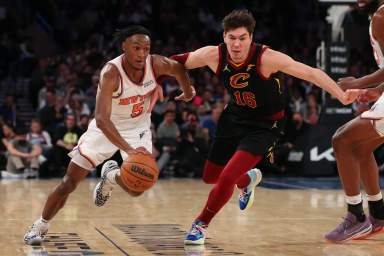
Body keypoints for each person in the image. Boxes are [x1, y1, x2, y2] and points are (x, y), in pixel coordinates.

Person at [170, 9, 362, 245]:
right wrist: (159, 82)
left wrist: (341, 96)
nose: (237, 44)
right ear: (224, 37)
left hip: (265, 125)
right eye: (232, 38)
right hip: (234, 118)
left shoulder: (267, 58)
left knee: (227, 177)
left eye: (242, 38)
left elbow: (311, 73)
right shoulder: (213, 55)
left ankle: (200, 224)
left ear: (251, 37)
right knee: (211, 177)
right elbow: (172, 63)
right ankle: (248, 180)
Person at [23, 25, 195, 245]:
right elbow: (102, 119)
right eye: (136, 48)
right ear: (124, 47)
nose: (142, 54)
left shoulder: (157, 63)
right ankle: (40, 225)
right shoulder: (111, 72)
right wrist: (130, 150)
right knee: (69, 182)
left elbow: (179, 68)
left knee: (138, 188)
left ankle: (111, 176)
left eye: (146, 48)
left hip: (137, 128)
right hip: (106, 127)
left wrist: (188, 92)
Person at [324, 0, 384, 243]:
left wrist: (357, 83)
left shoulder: (381, 16)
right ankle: (378, 215)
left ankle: (356, 217)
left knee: (342, 140)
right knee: (360, 147)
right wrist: (377, 91)